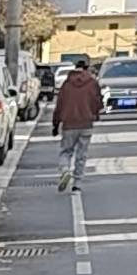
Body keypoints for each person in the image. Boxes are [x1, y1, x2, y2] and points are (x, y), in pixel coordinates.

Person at [51, 57, 105, 194]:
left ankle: (64, 170)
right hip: (86, 123)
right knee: (82, 154)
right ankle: (77, 184)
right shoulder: (92, 83)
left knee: (66, 151)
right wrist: (95, 114)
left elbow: (59, 105)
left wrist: (55, 124)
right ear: (87, 68)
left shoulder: (67, 84)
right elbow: (97, 102)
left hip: (69, 124)